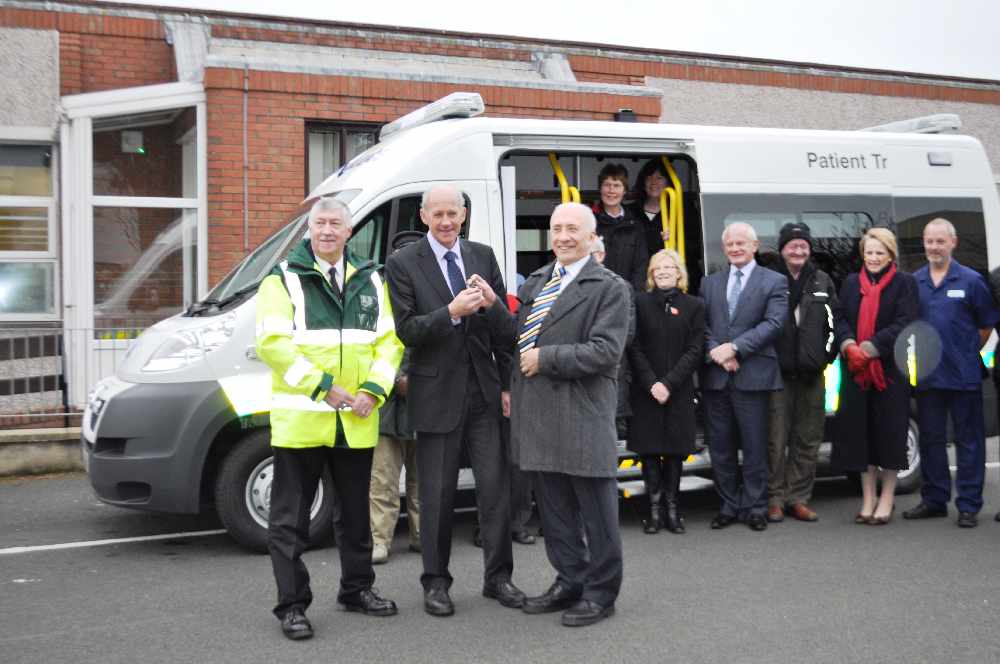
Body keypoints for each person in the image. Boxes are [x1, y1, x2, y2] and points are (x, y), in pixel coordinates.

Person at [256, 198, 403, 640]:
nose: (326, 230)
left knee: (355, 516)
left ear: (349, 230)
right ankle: (292, 606)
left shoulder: (373, 279)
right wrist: (323, 386)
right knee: (290, 521)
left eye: (335, 223)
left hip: (356, 421)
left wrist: (373, 390)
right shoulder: (282, 279)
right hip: (303, 421)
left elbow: (389, 343)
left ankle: (357, 590)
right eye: (319, 223)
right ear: (309, 229)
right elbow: (273, 344)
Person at [384, 185, 524, 617]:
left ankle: (499, 578)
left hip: (484, 394)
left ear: (464, 215)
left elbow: (507, 333)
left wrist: (493, 304)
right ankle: (436, 583)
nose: (446, 222)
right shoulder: (402, 262)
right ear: (423, 216)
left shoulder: (481, 255)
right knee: (438, 496)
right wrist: (453, 312)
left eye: (453, 213)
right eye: (438, 214)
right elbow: (407, 330)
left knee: (495, 491)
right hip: (436, 395)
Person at [509, 202, 630, 627]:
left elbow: (605, 351)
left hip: (583, 415)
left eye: (572, 229)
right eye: (557, 228)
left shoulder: (610, 287)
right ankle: (569, 580)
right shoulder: (538, 281)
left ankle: (601, 593)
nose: (563, 236)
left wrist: (547, 358)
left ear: (591, 236)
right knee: (556, 512)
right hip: (540, 413)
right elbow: (518, 338)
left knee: (597, 515)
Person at [904, 218, 998, 528]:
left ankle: (969, 505)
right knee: (931, 439)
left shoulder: (971, 281)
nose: (933, 247)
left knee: (968, 441)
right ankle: (935, 499)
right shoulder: (915, 281)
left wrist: (964, 349)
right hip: (929, 376)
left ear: (953, 243)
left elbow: (985, 326)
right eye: (929, 241)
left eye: (939, 241)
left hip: (964, 374)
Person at [699, 222, 787, 532]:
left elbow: (774, 324)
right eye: (730, 244)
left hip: (754, 375)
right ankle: (728, 505)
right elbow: (703, 326)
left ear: (754, 246)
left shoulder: (774, 281)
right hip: (716, 377)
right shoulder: (709, 283)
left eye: (741, 243)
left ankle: (755, 507)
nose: (735, 248)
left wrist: (735, 349)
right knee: (720, 447)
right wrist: (717, 353)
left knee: (754, 446)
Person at [832, 228, 919, 525]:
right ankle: (868, 497)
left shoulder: (905, 284)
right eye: (869, 252)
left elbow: (905, 322)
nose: (873, 258)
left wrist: (870, 347)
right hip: (856, 372)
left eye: (879, 252)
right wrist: (848, 344)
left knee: (889, 435)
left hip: (890, 371)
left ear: (890, 255)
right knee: (861, 435)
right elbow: (840, 317)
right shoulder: (851, 282)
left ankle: (887, 497)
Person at [627, 249, 705, 534]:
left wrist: (669, 384)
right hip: (646, 391)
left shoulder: (695, 305)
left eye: (668, 267)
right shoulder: (640, 302)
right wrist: (652, 383)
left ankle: (673, 510)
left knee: (674, 452)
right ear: (651, 273)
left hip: (679, 390)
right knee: (648, 452)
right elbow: (633, 346)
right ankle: (654, 511)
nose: (662, 271)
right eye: (657, 267)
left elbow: (695, 349)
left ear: (678, 272)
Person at [767, 223, 838, 523]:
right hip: (777, 375)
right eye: (792, 245)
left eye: (803, 245)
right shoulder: (770, 280)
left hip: (812, 374)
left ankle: (798, 498)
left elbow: (834, 324)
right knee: (774, 439)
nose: (798, 250)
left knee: (808, 439)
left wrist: (824, 358)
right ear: (782, 249)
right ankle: (774, 498)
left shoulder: (822, 280)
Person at [369, 231, 426, 564]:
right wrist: (393, 381)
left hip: (423, 402)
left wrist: (415, 381)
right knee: (383, 481)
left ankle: (422, 535)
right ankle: (380, 540)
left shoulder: (431, 293)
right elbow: (369, 349)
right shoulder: (376, 299)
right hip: (387, 405)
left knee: (424, 480)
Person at [592, 163, 649, 291]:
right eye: (607, 185)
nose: (611, 190)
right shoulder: (589, 223)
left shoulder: (636, 224)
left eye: (617, 185)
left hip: (628, 295)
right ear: (600, 189)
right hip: (597, 295)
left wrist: (631, 293)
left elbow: (641, 265)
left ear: (624, 191)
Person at [630, 158, 673, 259]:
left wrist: (674, 242)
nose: (653, 182)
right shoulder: (630, 212)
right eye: (649, 177)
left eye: (659, 178)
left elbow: (697, 246)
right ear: (643, 182)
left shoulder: (682, 211)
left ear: (668, 182)